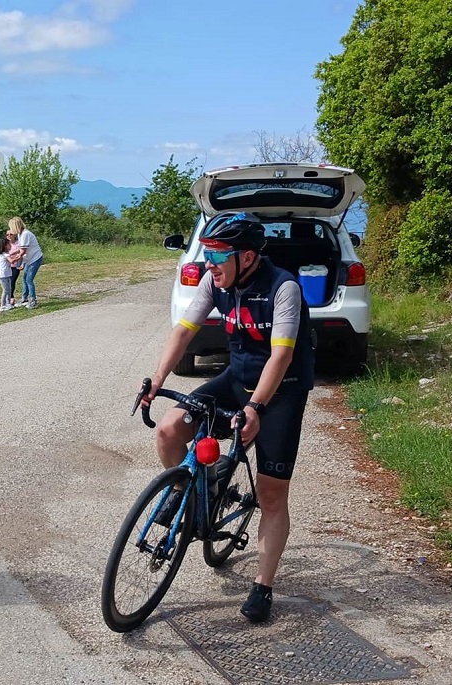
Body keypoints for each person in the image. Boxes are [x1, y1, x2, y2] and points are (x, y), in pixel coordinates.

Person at [140, 211, 314, 624]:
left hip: (281, 392)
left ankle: (263, 585)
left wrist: (256, 408)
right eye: (207, 253)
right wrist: (157, 378)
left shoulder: (283, 288)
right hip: (236, 379)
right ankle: (195, 492)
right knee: (168, 430)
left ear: (248, 257)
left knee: (272, 494)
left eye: (218, 255)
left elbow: (281, 355)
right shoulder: (213, 281)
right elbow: (184, 331)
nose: (210, 264)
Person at [10, 216, 43, 309]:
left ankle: (33, 300)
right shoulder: (20, 234)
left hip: (35, 259)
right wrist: (13, 253)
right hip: (29, 259)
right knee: (25, 278)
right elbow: (21, 249)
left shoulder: (25, 234)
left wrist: (15, 259)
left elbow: (23, 251)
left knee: (29, 279)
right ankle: (24, 299)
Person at [5, 227, 24, 307]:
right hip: (7, 266)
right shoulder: (5, 244)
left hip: (16, 266)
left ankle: (11, 297)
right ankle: (7, 298)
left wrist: (22, 264)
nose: (9, 236)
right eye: (7, 234)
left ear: (14, 235)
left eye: (11, 234)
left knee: (12, 281)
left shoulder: (18, 243)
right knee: (7, 282)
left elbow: (23, 253)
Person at [0, 237, 15, 312]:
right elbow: (11, 261)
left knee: (9, 289)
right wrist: (19, 257)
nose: (11, 245)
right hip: (2, 276)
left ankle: (8, 303)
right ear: (5, 246)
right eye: (9, 244)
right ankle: (2, 305)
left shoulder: (7, 254)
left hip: (7, 274)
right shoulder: (4, 254)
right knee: (5, 290)